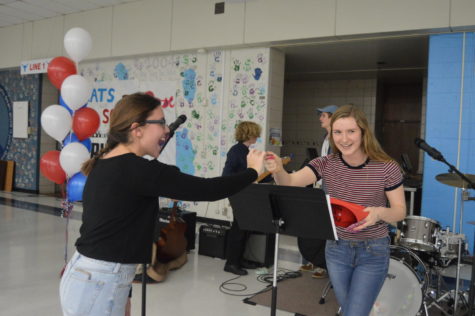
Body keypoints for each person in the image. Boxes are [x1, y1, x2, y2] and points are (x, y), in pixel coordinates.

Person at [59, 93, 266, 316]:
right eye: (161, 123)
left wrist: (125, 292)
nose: (167, 130)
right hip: (100, 283)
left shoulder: (108, 162)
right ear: (137, 129)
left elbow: (113, 230)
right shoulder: (139, 171)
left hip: (95, 277)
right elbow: (208, 189)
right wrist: (253, 171)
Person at [265, 105, 406, 316]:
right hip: (337, 250)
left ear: (363, 132)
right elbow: (291, 181)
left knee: (354, 313)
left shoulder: (386, 167)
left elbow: (400, 211)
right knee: (348, 309)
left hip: (373, 251)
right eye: (338, 132)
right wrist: (278, 170)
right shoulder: (325, 164)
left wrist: (379, 213)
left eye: (351, 131)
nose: (344, 139)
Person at [299, 105, 339, 279]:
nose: (320, 119)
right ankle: (319, 262)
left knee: (329, 232)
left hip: (334, 193)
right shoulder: (326, 137)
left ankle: (330, 267)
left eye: (323, 115)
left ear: (333, 117)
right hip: (322, 191)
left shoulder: (338, 139)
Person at [223, 121, 263, 276]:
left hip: (244, 193)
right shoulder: (236, 151)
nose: (257, 137)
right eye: (256, 134)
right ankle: (231, 263)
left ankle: (239, 259)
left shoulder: (245, 150)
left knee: (245, 227)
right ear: (249, 134)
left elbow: (248, 174)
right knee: (239, 229)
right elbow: (227, 175)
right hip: (237, 194)